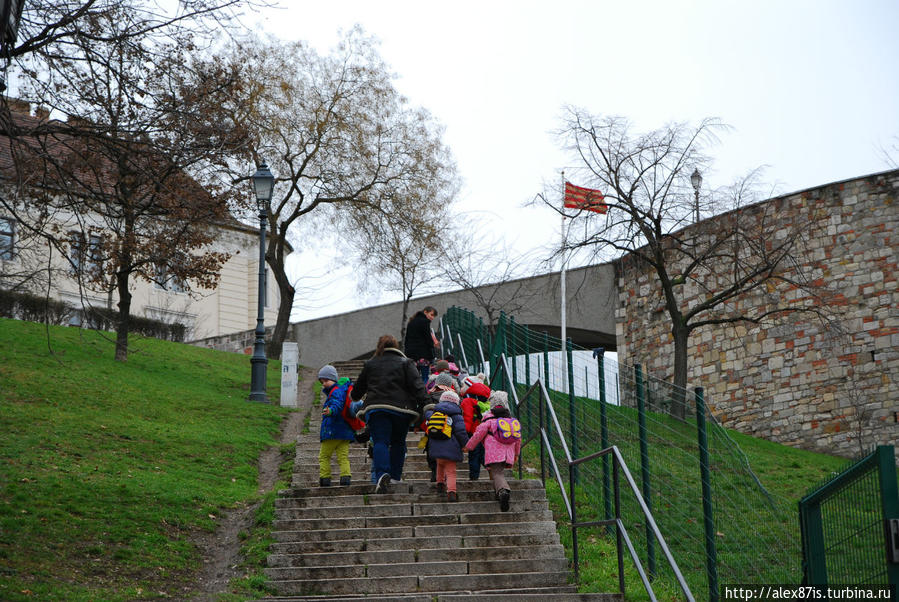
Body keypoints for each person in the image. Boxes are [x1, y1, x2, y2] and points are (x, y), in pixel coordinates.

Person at [352, 334, 428, 493]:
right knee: (399, 443)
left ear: (380, 347)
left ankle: (381, 475)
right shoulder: (406, 363)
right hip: (402, 410)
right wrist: (427, 404)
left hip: (377, 408)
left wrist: (356, 396)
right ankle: (395, 476)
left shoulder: (370, 364)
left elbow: (357, 392)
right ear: (396, 347)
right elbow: (418, 386)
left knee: (380, 442)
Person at [465, 391, 521, 511]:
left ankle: (503, 491)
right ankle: (498, 494)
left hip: (494, 453)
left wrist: (469, 446)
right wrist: (516, 453)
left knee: (497, 473)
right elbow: (518, 439)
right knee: (499, 471)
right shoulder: (511, 421)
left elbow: (477, 435)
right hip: (508, 452)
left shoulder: (488, 420)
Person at [424, 390, 469, 502]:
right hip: (451, 447)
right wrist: (465, 444)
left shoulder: (435, 413)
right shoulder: (457, 415)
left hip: (436, 446)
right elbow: (461, 432)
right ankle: (452, 492)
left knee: (440, 465)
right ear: (456, 402)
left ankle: (440, 484)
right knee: (451, 471)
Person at [317, 365, 355, 487]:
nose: (324, 384)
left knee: (324, 456)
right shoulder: (342, 390)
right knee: (343, 457)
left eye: (326, 380)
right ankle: (345, 478)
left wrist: (331, 411)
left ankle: (325, 479)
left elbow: (337, 404)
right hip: (344, 433)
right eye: (322, 382)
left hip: (332, 432)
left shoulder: (336, 391)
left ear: (334, 379)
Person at [460, 381, 491, 480]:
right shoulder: (486, 404)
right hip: (486, 434)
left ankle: (474, 477)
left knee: (474, 455)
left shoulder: (468, 401)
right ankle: (492, 470)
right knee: (482, 454)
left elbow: (467, 418)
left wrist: (465, 433)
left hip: (474, 433)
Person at [404, 306, 439, 383]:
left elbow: (407, 339)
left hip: (411, 355)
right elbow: (428, 339)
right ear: (425, 312)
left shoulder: (411, 322)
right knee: (425, 377)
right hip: (423, 355)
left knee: (413, 377)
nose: (432, 318)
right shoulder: (425, 322)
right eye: (431, 315)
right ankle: (424, 393)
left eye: (434, 316)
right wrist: (432, 353)